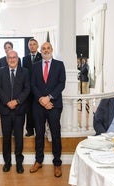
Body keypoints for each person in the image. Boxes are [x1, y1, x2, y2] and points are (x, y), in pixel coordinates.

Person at [30, 42, 66, 178]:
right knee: (39, 134)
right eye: (43, 49)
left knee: (56, 134)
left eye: (48, 48)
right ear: (40, 50)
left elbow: (61, 83)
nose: (46, 50)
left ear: (52, 49)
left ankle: (57, 163)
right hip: (38, 105)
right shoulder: (35, 66)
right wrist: (41, 99)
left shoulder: (59, 65)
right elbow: (32, 84)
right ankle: (38, 161)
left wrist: (49, 98)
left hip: (54, 105)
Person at [0, 50, 30, 174]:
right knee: (6, 137)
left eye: (14, 57)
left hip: (19, 109)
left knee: (19, 137)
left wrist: (17, 101)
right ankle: (7, 162)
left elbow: (27, 89)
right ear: (6, 59)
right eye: (9, 57)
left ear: (18, 58)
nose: (12, 59)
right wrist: (7, 102)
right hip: (5, 110)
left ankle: (19, 162)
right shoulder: (0, 71)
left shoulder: (25, 71)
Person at [22, 38, 42, 137]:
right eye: (30, 44)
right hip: (28, 89)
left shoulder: (42, 57)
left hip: (39, 89)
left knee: (38, 111)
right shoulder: (24, 59)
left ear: (37, 46)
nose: (32, 46)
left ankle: (39, 129)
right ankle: (29, 130)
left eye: (34, 44)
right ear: (28, 46)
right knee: (28, 111)